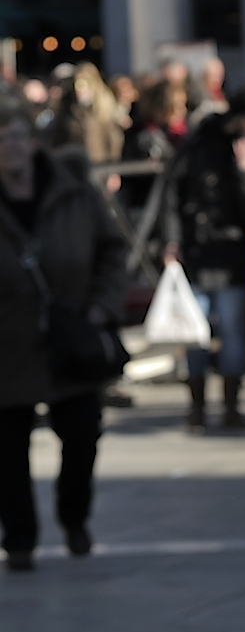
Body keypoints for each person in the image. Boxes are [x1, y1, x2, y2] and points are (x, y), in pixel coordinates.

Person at [0, 87, 127, 570]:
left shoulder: (73, 190)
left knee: (81, 436)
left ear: (33, 143)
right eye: (0, 138)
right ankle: (19, 539)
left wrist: (102, 307)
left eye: (16, 136)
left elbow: (112, 251)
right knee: (7, 454)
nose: (9, 146)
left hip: (70, 338)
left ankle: (74, 520)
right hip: (7, 346)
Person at [160, 91, 245, 430]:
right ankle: (197, 408)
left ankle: (231, 406)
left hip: (232, 253)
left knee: (233, 330)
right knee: (195, 330)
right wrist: (171, 239)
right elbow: (172, 192)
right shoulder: (198, 143)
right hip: (197, 251)